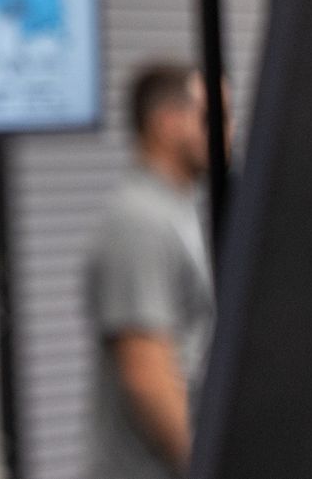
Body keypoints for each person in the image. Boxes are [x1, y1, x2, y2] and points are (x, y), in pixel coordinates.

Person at [84, 62, 228, 478]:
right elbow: (146, 374)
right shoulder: (140, 221)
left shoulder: (177, 209)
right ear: (167, 123)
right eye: (214, 117)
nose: (229, 131)